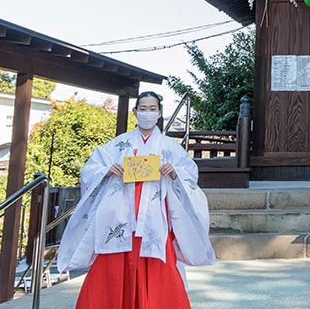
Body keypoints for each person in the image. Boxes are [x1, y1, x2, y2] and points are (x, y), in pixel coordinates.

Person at [57, 91, 216, 308]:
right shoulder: (118, 144)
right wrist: (106, 169)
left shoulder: (169, 147)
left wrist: (174, 172)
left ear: (159, 113)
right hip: (120, 216)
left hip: (154, 217)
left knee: (160, 262)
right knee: (112, 263)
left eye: (152, 109)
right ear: (135, 112)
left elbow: (190, 175)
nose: (147, 113)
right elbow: (89, 169)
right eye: (143, 109)